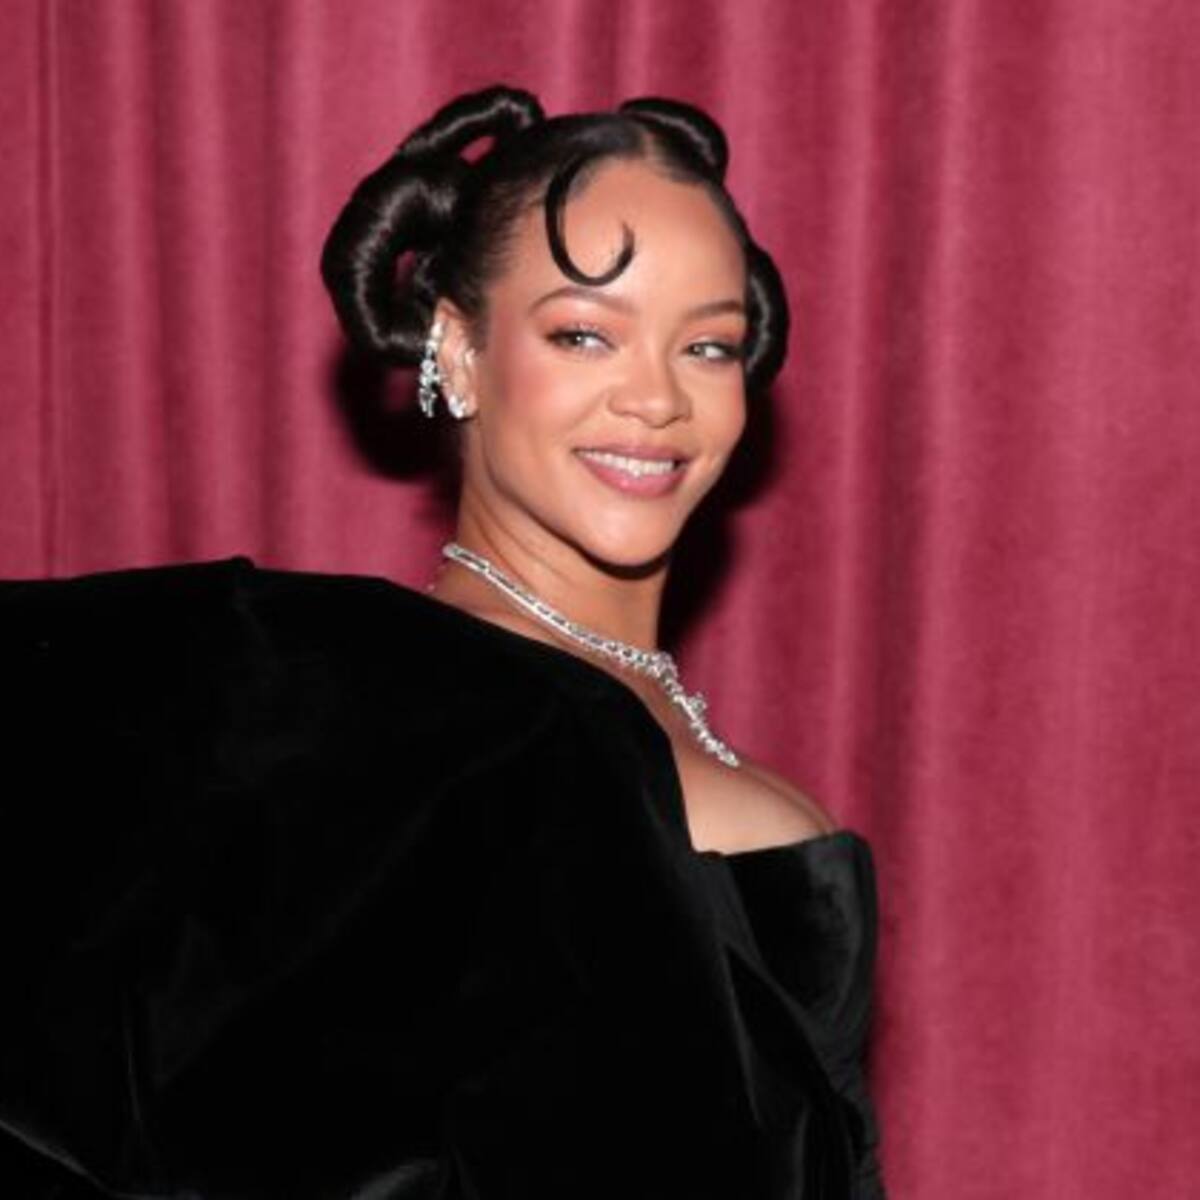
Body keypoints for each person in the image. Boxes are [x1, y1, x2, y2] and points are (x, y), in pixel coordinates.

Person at [0, 85, 887, 1198]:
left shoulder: (655, 753)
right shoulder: (399, 735)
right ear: (460, 352)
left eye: (707, 346)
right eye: (584, 334)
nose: (657, 398)